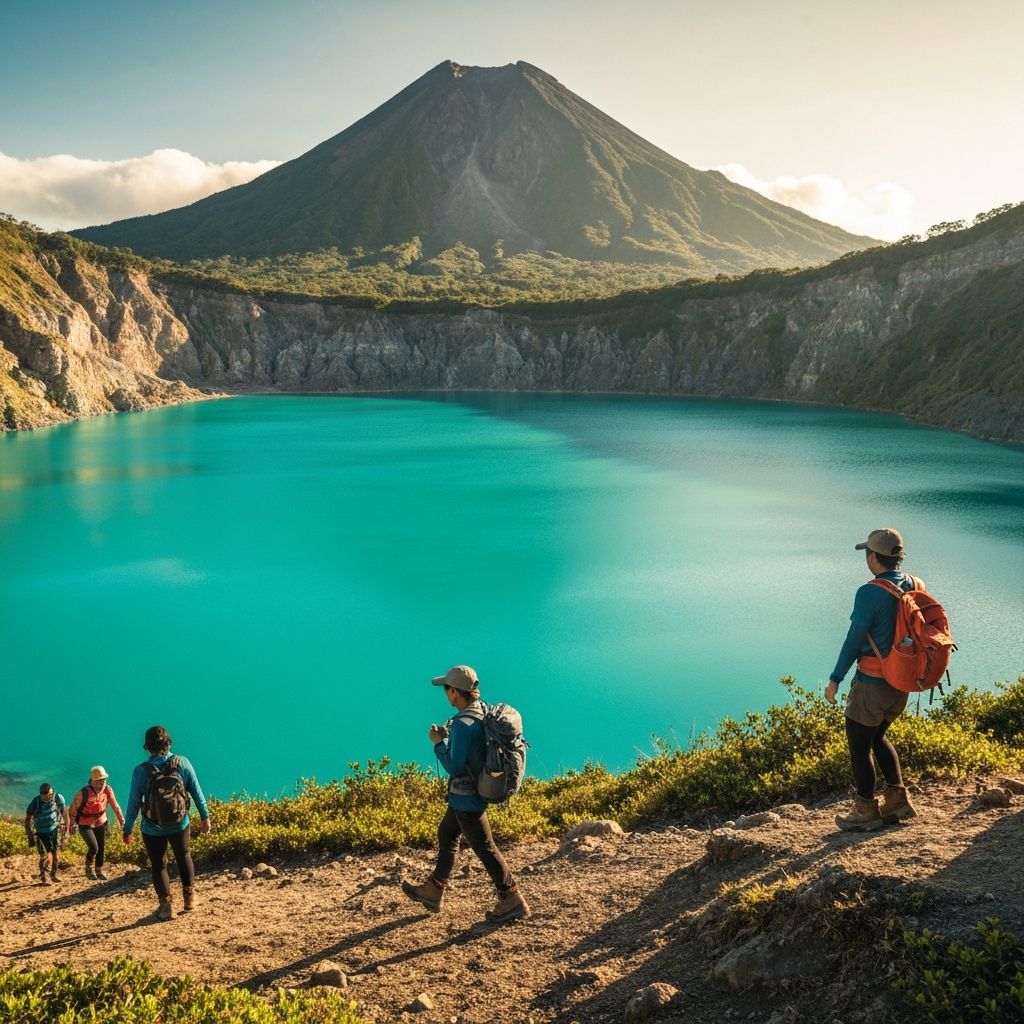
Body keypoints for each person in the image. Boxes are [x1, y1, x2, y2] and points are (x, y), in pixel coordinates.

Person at [402, 664, 529, 924]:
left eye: (446, 689)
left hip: (466, 797)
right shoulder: (482, 711)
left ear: (454, 693)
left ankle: (512, 898)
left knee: (485, 847)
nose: (445, 694)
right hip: (475, 792)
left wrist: (439, 743)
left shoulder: (462, 724)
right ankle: (434, 890)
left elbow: (454, 765)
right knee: (447, 833)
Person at [825, 528, 919, 831]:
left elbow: (854, 639)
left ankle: (865, 810)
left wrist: (835, 678)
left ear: (874, 557)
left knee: (858, 745)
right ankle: (898, 800)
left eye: (868, 552)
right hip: (900, 684)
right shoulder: (914, 584)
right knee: (877, 737)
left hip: (872, 684)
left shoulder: (869, 592)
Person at [122, 725, 211, 921]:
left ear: (146, 747)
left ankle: (165, 906)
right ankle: (189, 899)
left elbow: (133, 803)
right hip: (180, 824)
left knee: (159, 865)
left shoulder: (140, 771)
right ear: (169, 743)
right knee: (184, 855)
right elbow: (196, 792)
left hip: (152, 828)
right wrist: (205, 817)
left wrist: (127, 829)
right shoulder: (182, 763)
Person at [68, 766, 126, 880]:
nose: (102, 782)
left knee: (101, 847)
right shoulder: (82, 793)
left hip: (101, 821)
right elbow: (73, 809)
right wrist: (72, 824)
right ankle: (89, 868)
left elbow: (115, 806)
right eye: (100, 780)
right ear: (93, 780)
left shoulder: (107, 790)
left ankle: (99, 870)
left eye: (104, 779)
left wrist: (122, 822)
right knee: (94, 847)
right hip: (85, 823)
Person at [25, 783, 69, 885]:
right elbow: (28, 818)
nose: (50, 796)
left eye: (51, 793)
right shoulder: (35, 802)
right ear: (42, 795)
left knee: (55, 855)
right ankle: (44, 875)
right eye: (48, 795)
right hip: (40, 833)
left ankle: (53, 875)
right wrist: (29, 834)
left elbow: (65, 814)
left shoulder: (58, 798)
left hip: (54, 831)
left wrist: (67, 830)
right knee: (45, 856)